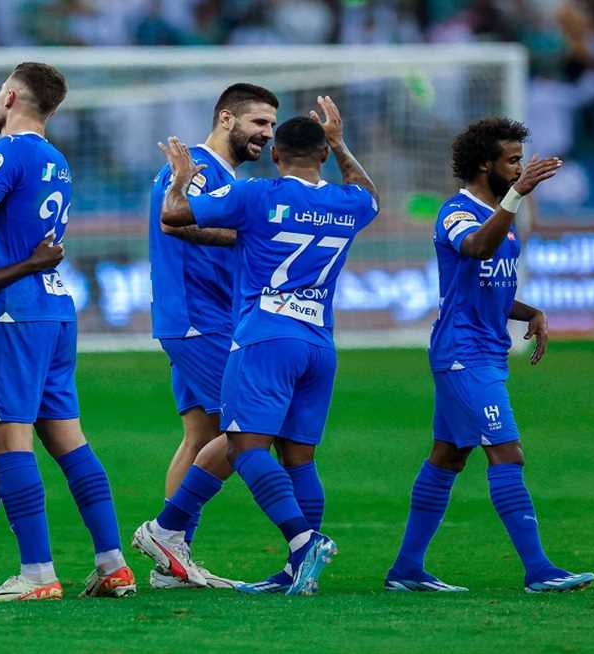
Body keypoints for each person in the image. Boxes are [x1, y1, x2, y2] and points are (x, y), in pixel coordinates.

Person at [155, 98, 379, 595]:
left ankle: (302, 542)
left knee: (244, 444)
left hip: (266, 336)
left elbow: (173, 215)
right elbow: (369, 190)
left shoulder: (257, 195)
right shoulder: (351, 203)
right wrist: (342, 144)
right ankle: (299, 569)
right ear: (323, 155)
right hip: (320, 342)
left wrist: (178, 176)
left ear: (275, 153)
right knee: (299, 457)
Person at [385, 118, 594, 593]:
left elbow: (489, 288)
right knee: (506, 452)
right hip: (462, 354)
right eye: (512, 160)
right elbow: (477, 249)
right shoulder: (457, 212)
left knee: (449, 455)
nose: (520, 167)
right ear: (485, 164)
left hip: (484, 351)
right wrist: (517, 194)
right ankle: (539, 569)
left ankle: (406, 569)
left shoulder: (501, 214)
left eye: (521, 160)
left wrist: (529, 311)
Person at [0, 62, 134, 601]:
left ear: (9, 96)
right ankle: (112, 563)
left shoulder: (10, 151)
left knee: (7, 437)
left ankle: (36, 572)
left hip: (14, 311)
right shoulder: (57, 158)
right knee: (68, 437)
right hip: (55, 306)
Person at [138, 84, 277, 590]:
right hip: (198, 319)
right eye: (258, 122)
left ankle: (170, 565)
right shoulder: (193, 168)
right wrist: (258, 232)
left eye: (271, 125)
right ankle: (165, 533)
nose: (266, 133)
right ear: (226, 119)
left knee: (200, 435)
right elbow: (172, 224)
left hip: (209, 317)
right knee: (251, 428)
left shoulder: (225, 176)